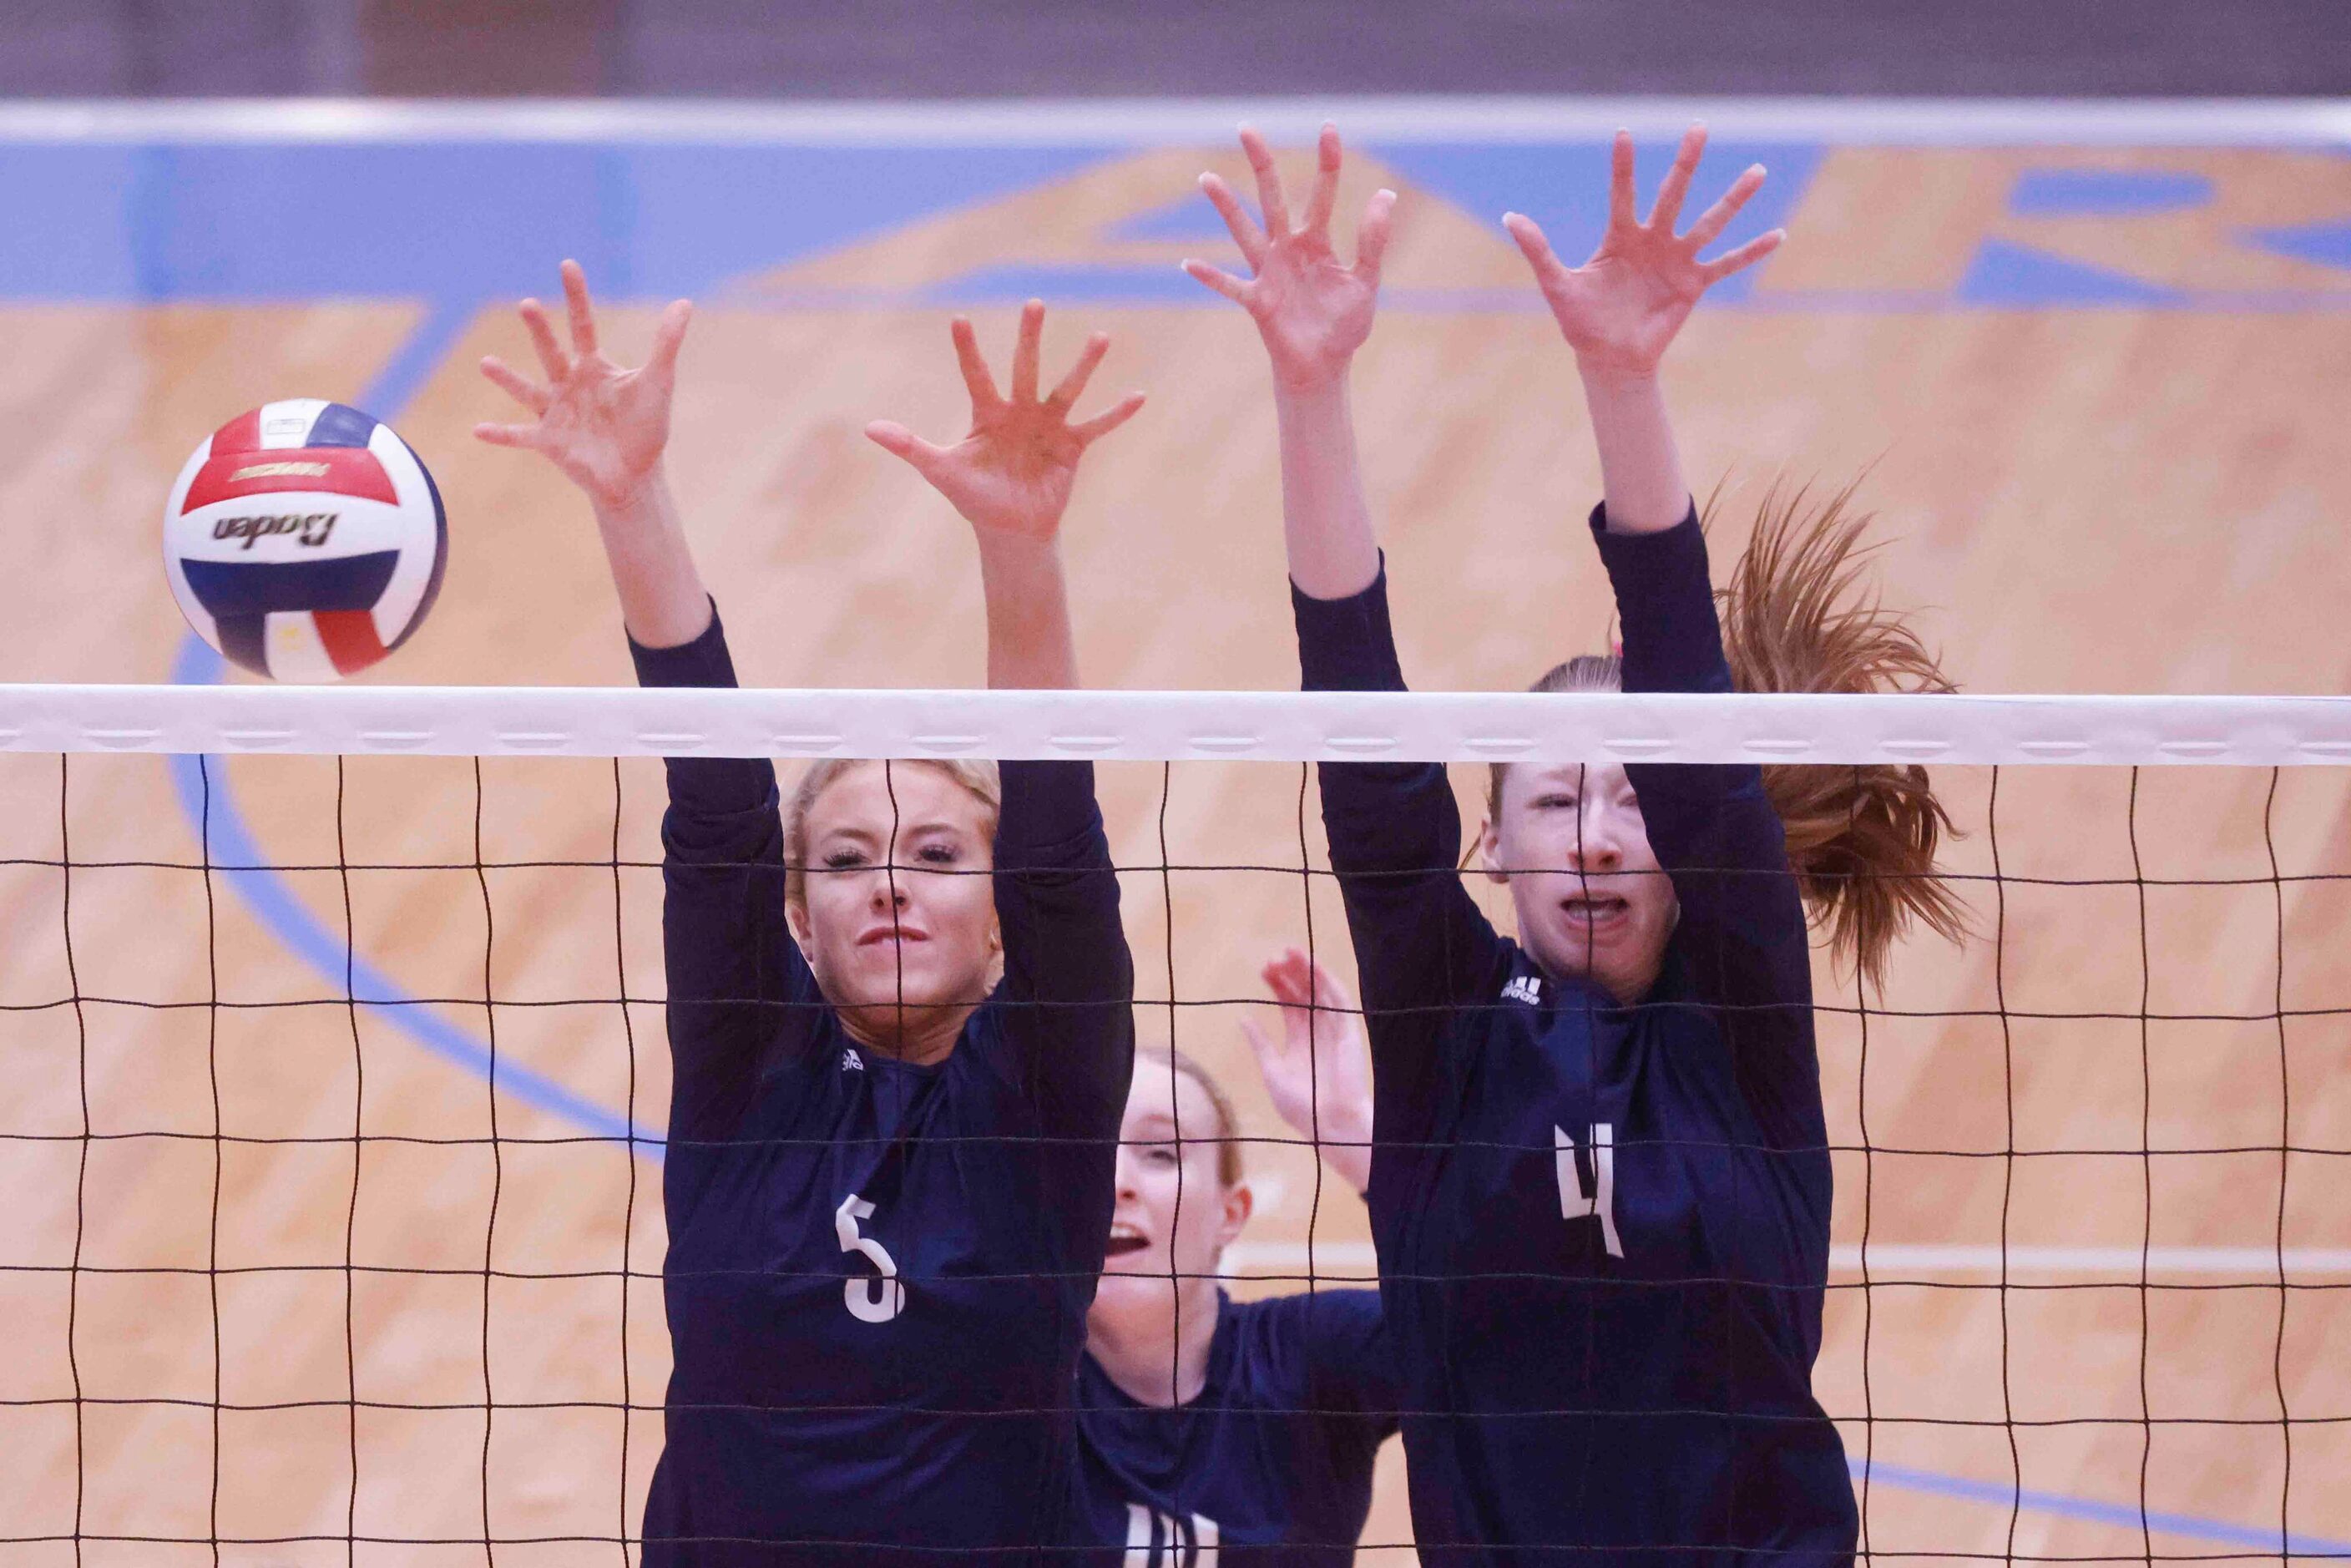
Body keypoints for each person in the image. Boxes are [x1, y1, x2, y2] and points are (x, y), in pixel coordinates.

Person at [1188, 124, 1960, 1563]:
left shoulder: (1740, 1026)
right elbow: (1359, 728)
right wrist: (1309, 391)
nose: (1598, 835)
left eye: (1628, 798)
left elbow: (1690, 741)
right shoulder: (1448, 1034)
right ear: (1491, 843)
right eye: (1552, 802)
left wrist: (1624, 381)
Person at [476, 268, 1145, 1565]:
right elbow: (718, 808)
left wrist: (1019, 546)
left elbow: (1059, 836)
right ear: (799, 912)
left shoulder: (1045, 1091)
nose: (890, 879)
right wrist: (632, 497)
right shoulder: (751, 1072)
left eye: (939, 851)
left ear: (1001, 918)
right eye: (845, 858)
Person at [1076, 952, 1396, 1565]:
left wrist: (1356, 1132)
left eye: (1161, 1154)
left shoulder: (1309, 1360)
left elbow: (1526, 1325)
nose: (1116, 1180)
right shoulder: (1000, 1380)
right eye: (1088, 1151)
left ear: (1231, 1213)